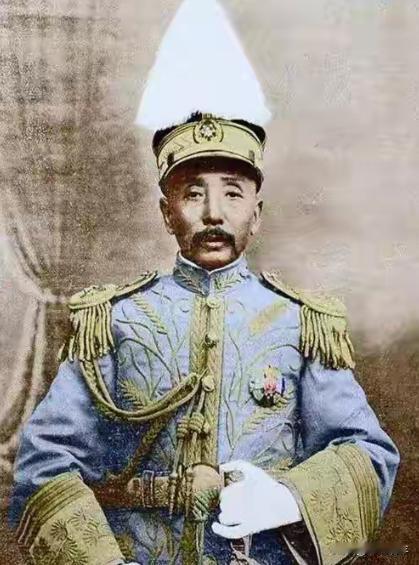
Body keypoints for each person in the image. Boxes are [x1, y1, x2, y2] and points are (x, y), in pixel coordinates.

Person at [9, 112, 399, 565]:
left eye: (233, 193)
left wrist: (286, 499)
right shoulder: (113, 320)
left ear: (256, 214)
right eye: (193, 193)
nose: (214, 212)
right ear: (167, 213)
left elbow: (368, 453)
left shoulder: (301, 322)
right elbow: (47, 459)